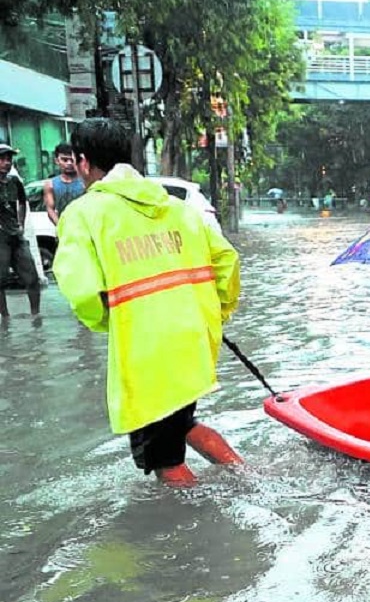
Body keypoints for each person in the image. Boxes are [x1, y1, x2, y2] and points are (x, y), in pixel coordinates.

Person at [54, 118, 242, 486]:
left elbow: (82, 291)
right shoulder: (177, 207)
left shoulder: (83, 214)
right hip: (192, 343)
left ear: (82, 161)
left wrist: (110, 322)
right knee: (182, 423)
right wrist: (217, 313)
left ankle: (200, 531)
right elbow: (227, 262)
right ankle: (248, 476)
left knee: (165, 459)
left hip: (146, 353)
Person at [0, 142, 40, 318]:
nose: (6, 163)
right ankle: (5, 318)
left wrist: (21, 223)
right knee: (0, 281)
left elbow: (23, 202)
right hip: (1, 239)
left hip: (16, 235)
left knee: (32, 277)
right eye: (2, 159)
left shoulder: (14, 181)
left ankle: (35, 315)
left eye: (9, 159)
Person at [44, 142, 86, 225]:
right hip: (63, 230)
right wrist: (60, 226)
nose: (69, 163)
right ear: (57, 161)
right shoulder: (50, 184)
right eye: (65, 160)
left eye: (72, 160)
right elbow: (50, 209)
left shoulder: (86, 181)